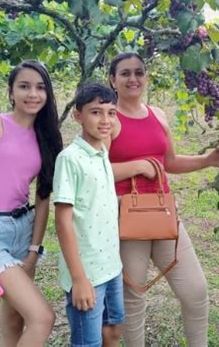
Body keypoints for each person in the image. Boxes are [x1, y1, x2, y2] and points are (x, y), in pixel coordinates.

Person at [107, 52, 219, 346]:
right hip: (127, 218)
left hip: (163, 212)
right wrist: (136, 167)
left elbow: (169, 162)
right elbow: (93, 169)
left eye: (139, 72)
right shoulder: (109, 118)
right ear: (113, 80)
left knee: (195, 290)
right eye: (125, 73)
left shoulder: (157, 114)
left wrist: (208, 160)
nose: (133, 78)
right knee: (134, 295)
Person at [0, 60, 63, 346]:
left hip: (23, 229)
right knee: (43, 318)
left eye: (39, 87)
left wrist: (34, 248)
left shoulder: (45, 136)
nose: (32, 94)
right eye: (24, 86)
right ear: (11, 92)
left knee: (15, 318)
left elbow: (43, 195)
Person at [53, 83, 124, 347]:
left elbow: (112, 128)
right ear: (77, 115)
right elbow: (62, 221)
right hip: (86, 272)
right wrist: (79, 279)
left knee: (114, 327)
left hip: (111, 266)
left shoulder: (101, 151)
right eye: (96, 112)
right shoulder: (70, 159)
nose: (105, 120)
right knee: (87, 342)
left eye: (111, 112)